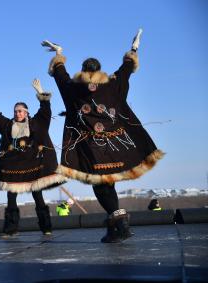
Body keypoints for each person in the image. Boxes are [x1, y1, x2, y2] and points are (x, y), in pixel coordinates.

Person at [42, 29, 164, 243]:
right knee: (107, 184)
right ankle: (116, 227)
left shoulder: (73, 89)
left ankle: (120, 223)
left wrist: (58, 54)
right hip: (117, 146)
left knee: (100, 184)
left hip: (91, 148)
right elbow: (126, 69)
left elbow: (60, 74)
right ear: (100, 70)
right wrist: (134, 49)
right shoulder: (113, 84)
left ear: (82, 70)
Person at [0, 80, 67, 238]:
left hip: (34, 167)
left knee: (38, 197)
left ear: (26, 112)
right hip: (13, 169)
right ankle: (11, 229)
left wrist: (41, 94)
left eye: (20, 111)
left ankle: (46, 228)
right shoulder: (7, 126)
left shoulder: (36, 124)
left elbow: (45, 112)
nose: (17, 113)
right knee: (11, 199)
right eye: (16, 111)